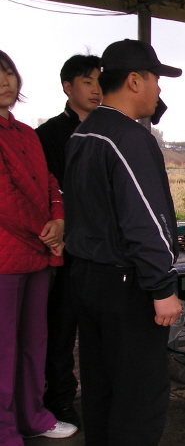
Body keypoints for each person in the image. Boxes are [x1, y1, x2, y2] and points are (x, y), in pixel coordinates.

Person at [64, 39, 182, 446]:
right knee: (139, 398)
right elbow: (145, 219)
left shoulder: (84, 132)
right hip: (126, 285)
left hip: (87, 277)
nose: (159, 89)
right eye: (156, 80)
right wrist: (162, 287)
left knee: (101, 390)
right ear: (134, 81)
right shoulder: (128, 137)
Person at [0, 50, 78, 443]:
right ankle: (4, 429)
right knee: (3, 347)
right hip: (7, 255)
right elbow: (5, 197)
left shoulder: (26, 132)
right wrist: (46, 230)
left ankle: (33, 415)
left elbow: (49, 182)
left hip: (38, 253)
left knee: (34, 341)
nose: (5, 81)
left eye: (8, 73)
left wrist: (59, 218)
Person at [36, 54, 102, 427]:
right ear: (67, 87)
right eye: (87, 82)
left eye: (100, 82)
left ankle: (101, 395)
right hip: (67, 249)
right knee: (60, 329)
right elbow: (50, 190)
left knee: (101, 328)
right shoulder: (49, 135)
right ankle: (59, 400)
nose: (95, 89)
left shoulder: (110, 129)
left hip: (104, 250)